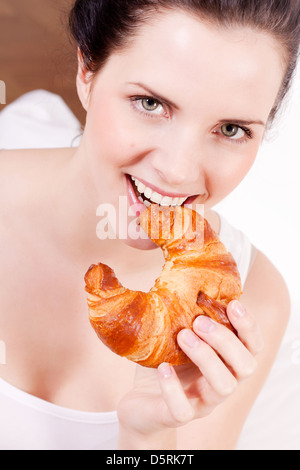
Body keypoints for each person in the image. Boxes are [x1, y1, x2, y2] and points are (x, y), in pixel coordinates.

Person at [0, 0, 299, 450]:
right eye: (151, 103)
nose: (178, 171)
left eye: (232, 129)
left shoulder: (251, 299)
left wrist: (150, 434)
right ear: (87, 72)